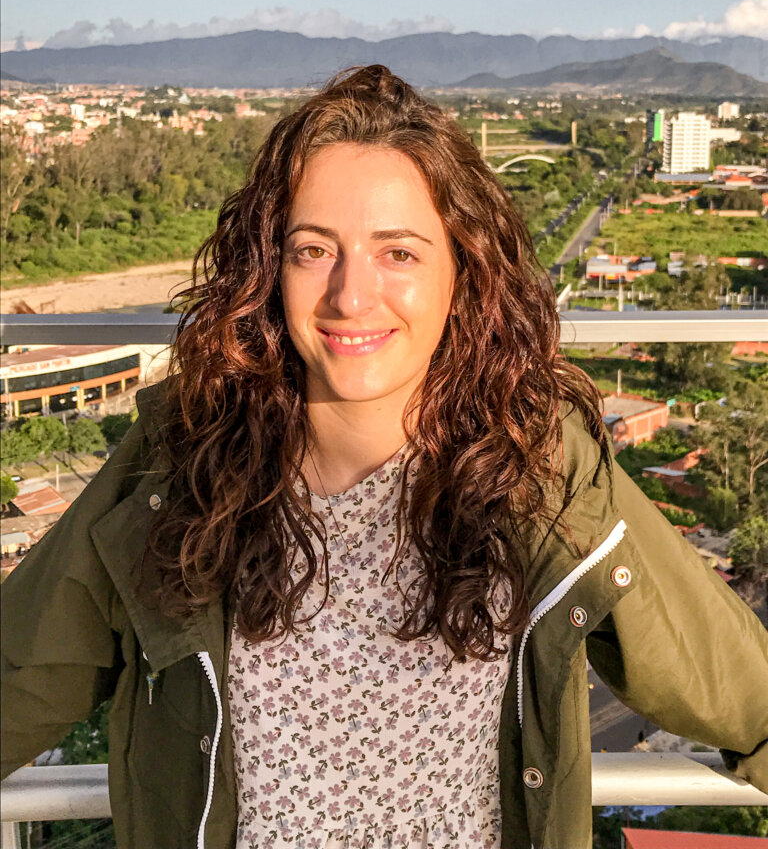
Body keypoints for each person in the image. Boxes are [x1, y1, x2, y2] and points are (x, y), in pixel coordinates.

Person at [2, 65, 767, 849]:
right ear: (269, 271)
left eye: (397, 253)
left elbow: (738, 685)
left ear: (461, 273)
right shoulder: (180, 465)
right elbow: (22, 672)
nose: (350, 295)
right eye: (312, 250)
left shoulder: (536, 469)